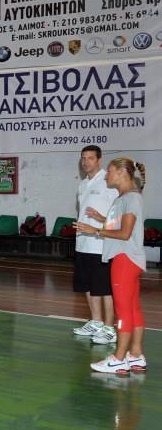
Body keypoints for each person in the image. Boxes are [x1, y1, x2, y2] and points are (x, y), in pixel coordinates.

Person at [75, 158, 147, 375]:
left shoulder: (131, 198)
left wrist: (95, 231)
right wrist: (101, 218)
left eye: (110, 171)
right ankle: (135, 355)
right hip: (128, 259)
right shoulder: (125, 197)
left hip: (124, 259)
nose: (106, 175)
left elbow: (124, 234)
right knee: (133, 309)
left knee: (123, 311)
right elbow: (119, 225)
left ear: (122, 173)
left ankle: (118, 359)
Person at [71, 145, 119, 345]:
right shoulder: (82, 184)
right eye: (83, 158)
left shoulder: (109, 182)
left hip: (102, 244)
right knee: (88, 286)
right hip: (83, 243)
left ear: (99, 160)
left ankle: (109, 327)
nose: (86, 162)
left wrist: (101, 220)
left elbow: (119, 216)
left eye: (90, 158)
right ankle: (96, 322)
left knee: (105, 288)